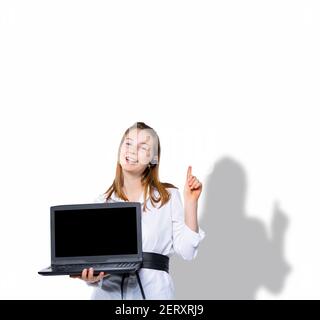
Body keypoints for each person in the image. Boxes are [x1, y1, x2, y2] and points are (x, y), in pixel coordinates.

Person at [72, 121, 205, 299]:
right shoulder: (103, 202)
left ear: (153, 159)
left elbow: (188, 252)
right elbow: (97, 264)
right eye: (128, 143)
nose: (132, 151)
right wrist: (91, 277)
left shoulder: (168, 197)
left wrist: (191, 202)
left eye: (142, 147)